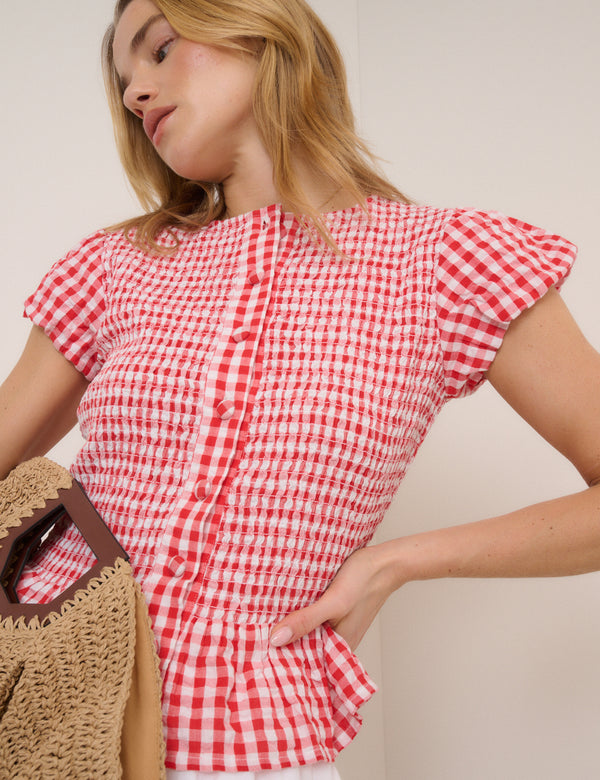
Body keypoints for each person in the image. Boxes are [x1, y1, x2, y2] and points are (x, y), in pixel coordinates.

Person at [1, 0, 599, 778]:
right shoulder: (115, 266)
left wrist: (397, 562)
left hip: (250, 747)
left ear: (261, 32)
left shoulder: (448, 263)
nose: (135, 92)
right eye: (123, 79)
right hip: (49, 724)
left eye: (160, 49)